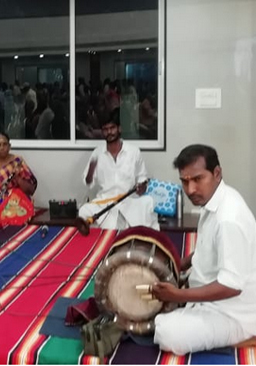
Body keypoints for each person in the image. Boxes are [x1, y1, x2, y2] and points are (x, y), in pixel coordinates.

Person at [153, 144, 256, 354]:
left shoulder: (228, 219)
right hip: (212, 299)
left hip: (234, 313)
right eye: (185, 181)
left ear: (217, 173)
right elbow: (208, 248)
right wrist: (182, 263)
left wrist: (180, 296)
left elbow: (231, 286)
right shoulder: (215, 200)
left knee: (167, 332)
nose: (190, 189)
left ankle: (246, 335)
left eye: (198, 179)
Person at [79, 110, 158, 230]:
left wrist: (141, 188)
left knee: (148, 202)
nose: (109, 132)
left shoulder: (133, 152)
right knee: (83, 210)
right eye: (105, 129)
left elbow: (142, 179)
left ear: (119, 129)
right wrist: (90, 172)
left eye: (112, 128)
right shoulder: (97, 153)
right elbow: (88, 183)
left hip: (129, 201)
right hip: (105, 202)